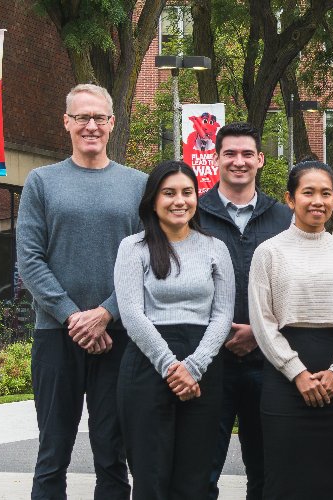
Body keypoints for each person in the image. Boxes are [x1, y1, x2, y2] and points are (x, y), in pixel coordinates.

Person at [17, 83, 144, 500]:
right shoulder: (41, 182)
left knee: (112, 455)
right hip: (57, 335)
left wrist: (106, 314)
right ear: (67, 123)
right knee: (52, 453)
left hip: (120, 336)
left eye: (99, 117)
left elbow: (148, 262)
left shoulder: (138, 185)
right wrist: (74, 317)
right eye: (82, 117)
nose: (91, 125)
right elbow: (30, 260)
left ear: (112, 123)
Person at [113, 161, 233, 499]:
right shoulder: (133, 248)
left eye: (187, 192)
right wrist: (170, 366)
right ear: (153, 200)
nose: (179, 201)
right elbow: (132, 315)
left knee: (194, 481)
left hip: (203, 366)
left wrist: (194, 367)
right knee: (150, 479)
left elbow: (223, 314)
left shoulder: (215, 248)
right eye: (169, 193)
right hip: (147, 365)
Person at [248, 161, 333, 499]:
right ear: (290, 198)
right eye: (308, 192)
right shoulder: (269, 253)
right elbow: (263, 322)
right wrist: (297, 373)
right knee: (283, 480)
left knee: (331, 479)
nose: (318, 201)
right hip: (284, 377)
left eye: (326, 193)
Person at [195, 122, 293, 499]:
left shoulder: (283, 218)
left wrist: (258, 331)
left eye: (247, 154)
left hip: (267, 363)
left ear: (260, 159)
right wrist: (218, 333)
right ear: (216, 158)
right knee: (201, 471)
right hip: (210, 363)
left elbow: (294, 285)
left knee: (266, 472)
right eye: (230, 153)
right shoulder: (193, 214)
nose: (239, 161)